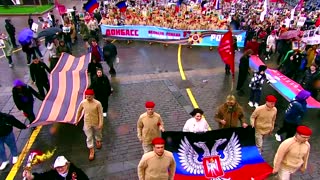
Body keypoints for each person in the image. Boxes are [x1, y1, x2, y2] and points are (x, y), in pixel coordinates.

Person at [75, 89, 103, 161]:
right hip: (87, 123)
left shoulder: (97, 103)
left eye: (90, 97)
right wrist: (77, 120)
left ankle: (98, 140)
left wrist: (101, 123)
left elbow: (100, 114)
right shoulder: (83, 103)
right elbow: (79, 111)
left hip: (96, 122)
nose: (88, 98)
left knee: (98, 133)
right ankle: (91, 150)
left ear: (93, 96)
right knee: (89, 136)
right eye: (87, 97)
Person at [22, 155, 89, 179]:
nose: (60, 169)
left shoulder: (77, 172)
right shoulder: (52, 175)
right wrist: (31, 176)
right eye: (58, 167)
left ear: (67, 164)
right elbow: (41, 177)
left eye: (62, 166)